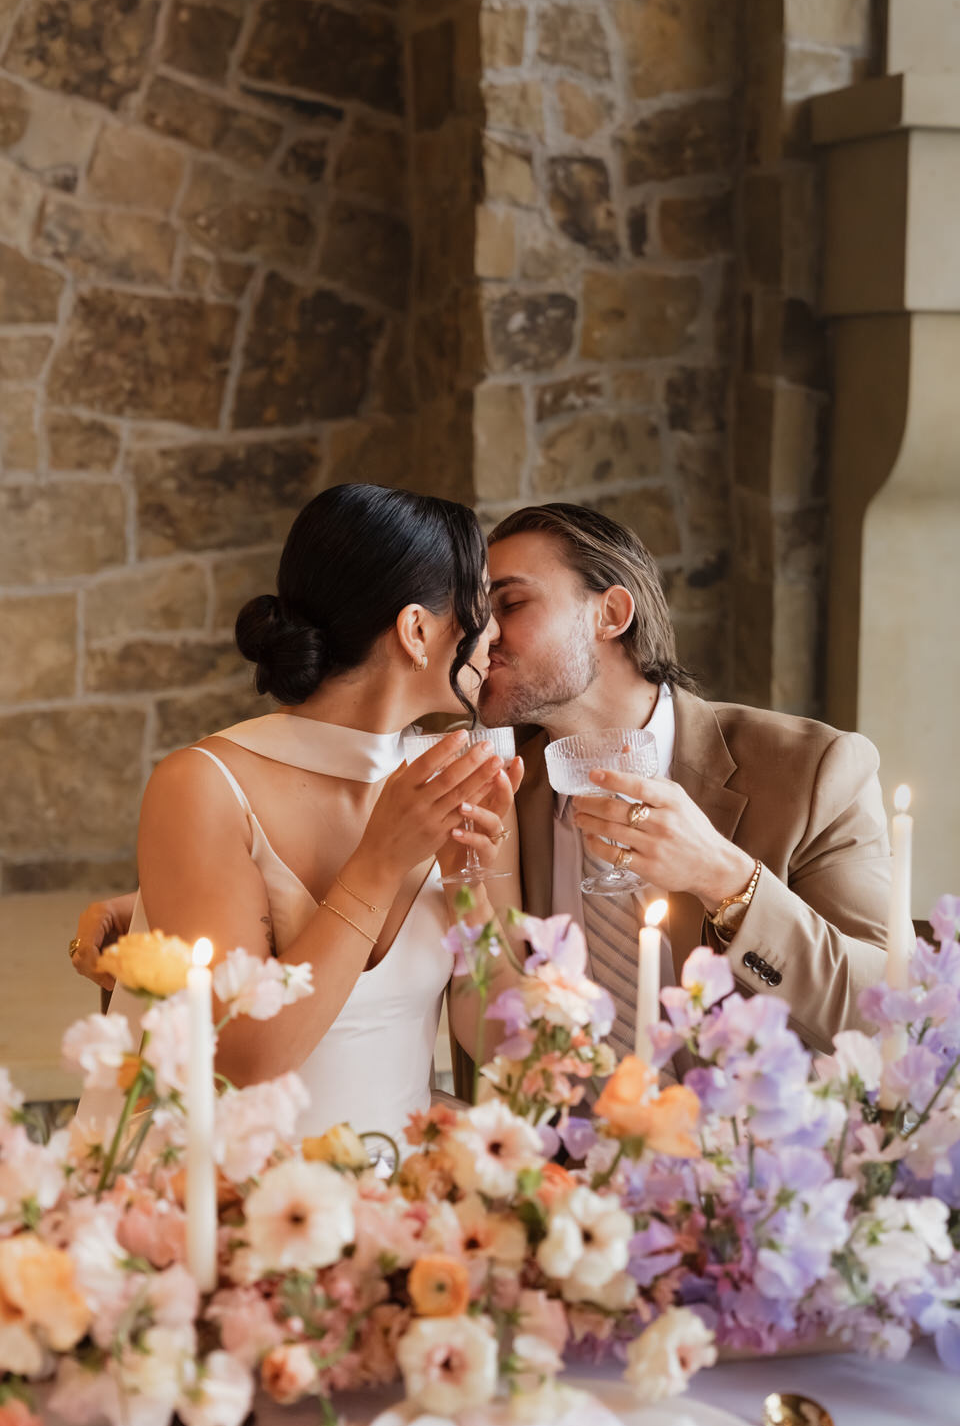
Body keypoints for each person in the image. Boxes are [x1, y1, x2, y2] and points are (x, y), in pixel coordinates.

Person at [74, 483, 523, 1146]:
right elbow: (246, 1063)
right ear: (417, 630)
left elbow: (501, 1044)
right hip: (231, 1207)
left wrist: (466, 889)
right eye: (482, 606)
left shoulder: (442, 788)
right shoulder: (203, 785)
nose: (496, 635)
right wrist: (379, 864)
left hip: (409, 1199)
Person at [478, 502, 890, 1056]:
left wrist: (724, 878)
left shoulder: (815, 770)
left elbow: (886, 1014)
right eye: (476, 614)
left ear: (611, 613)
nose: (483, 634)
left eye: (510, 603)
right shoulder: (498, 797)